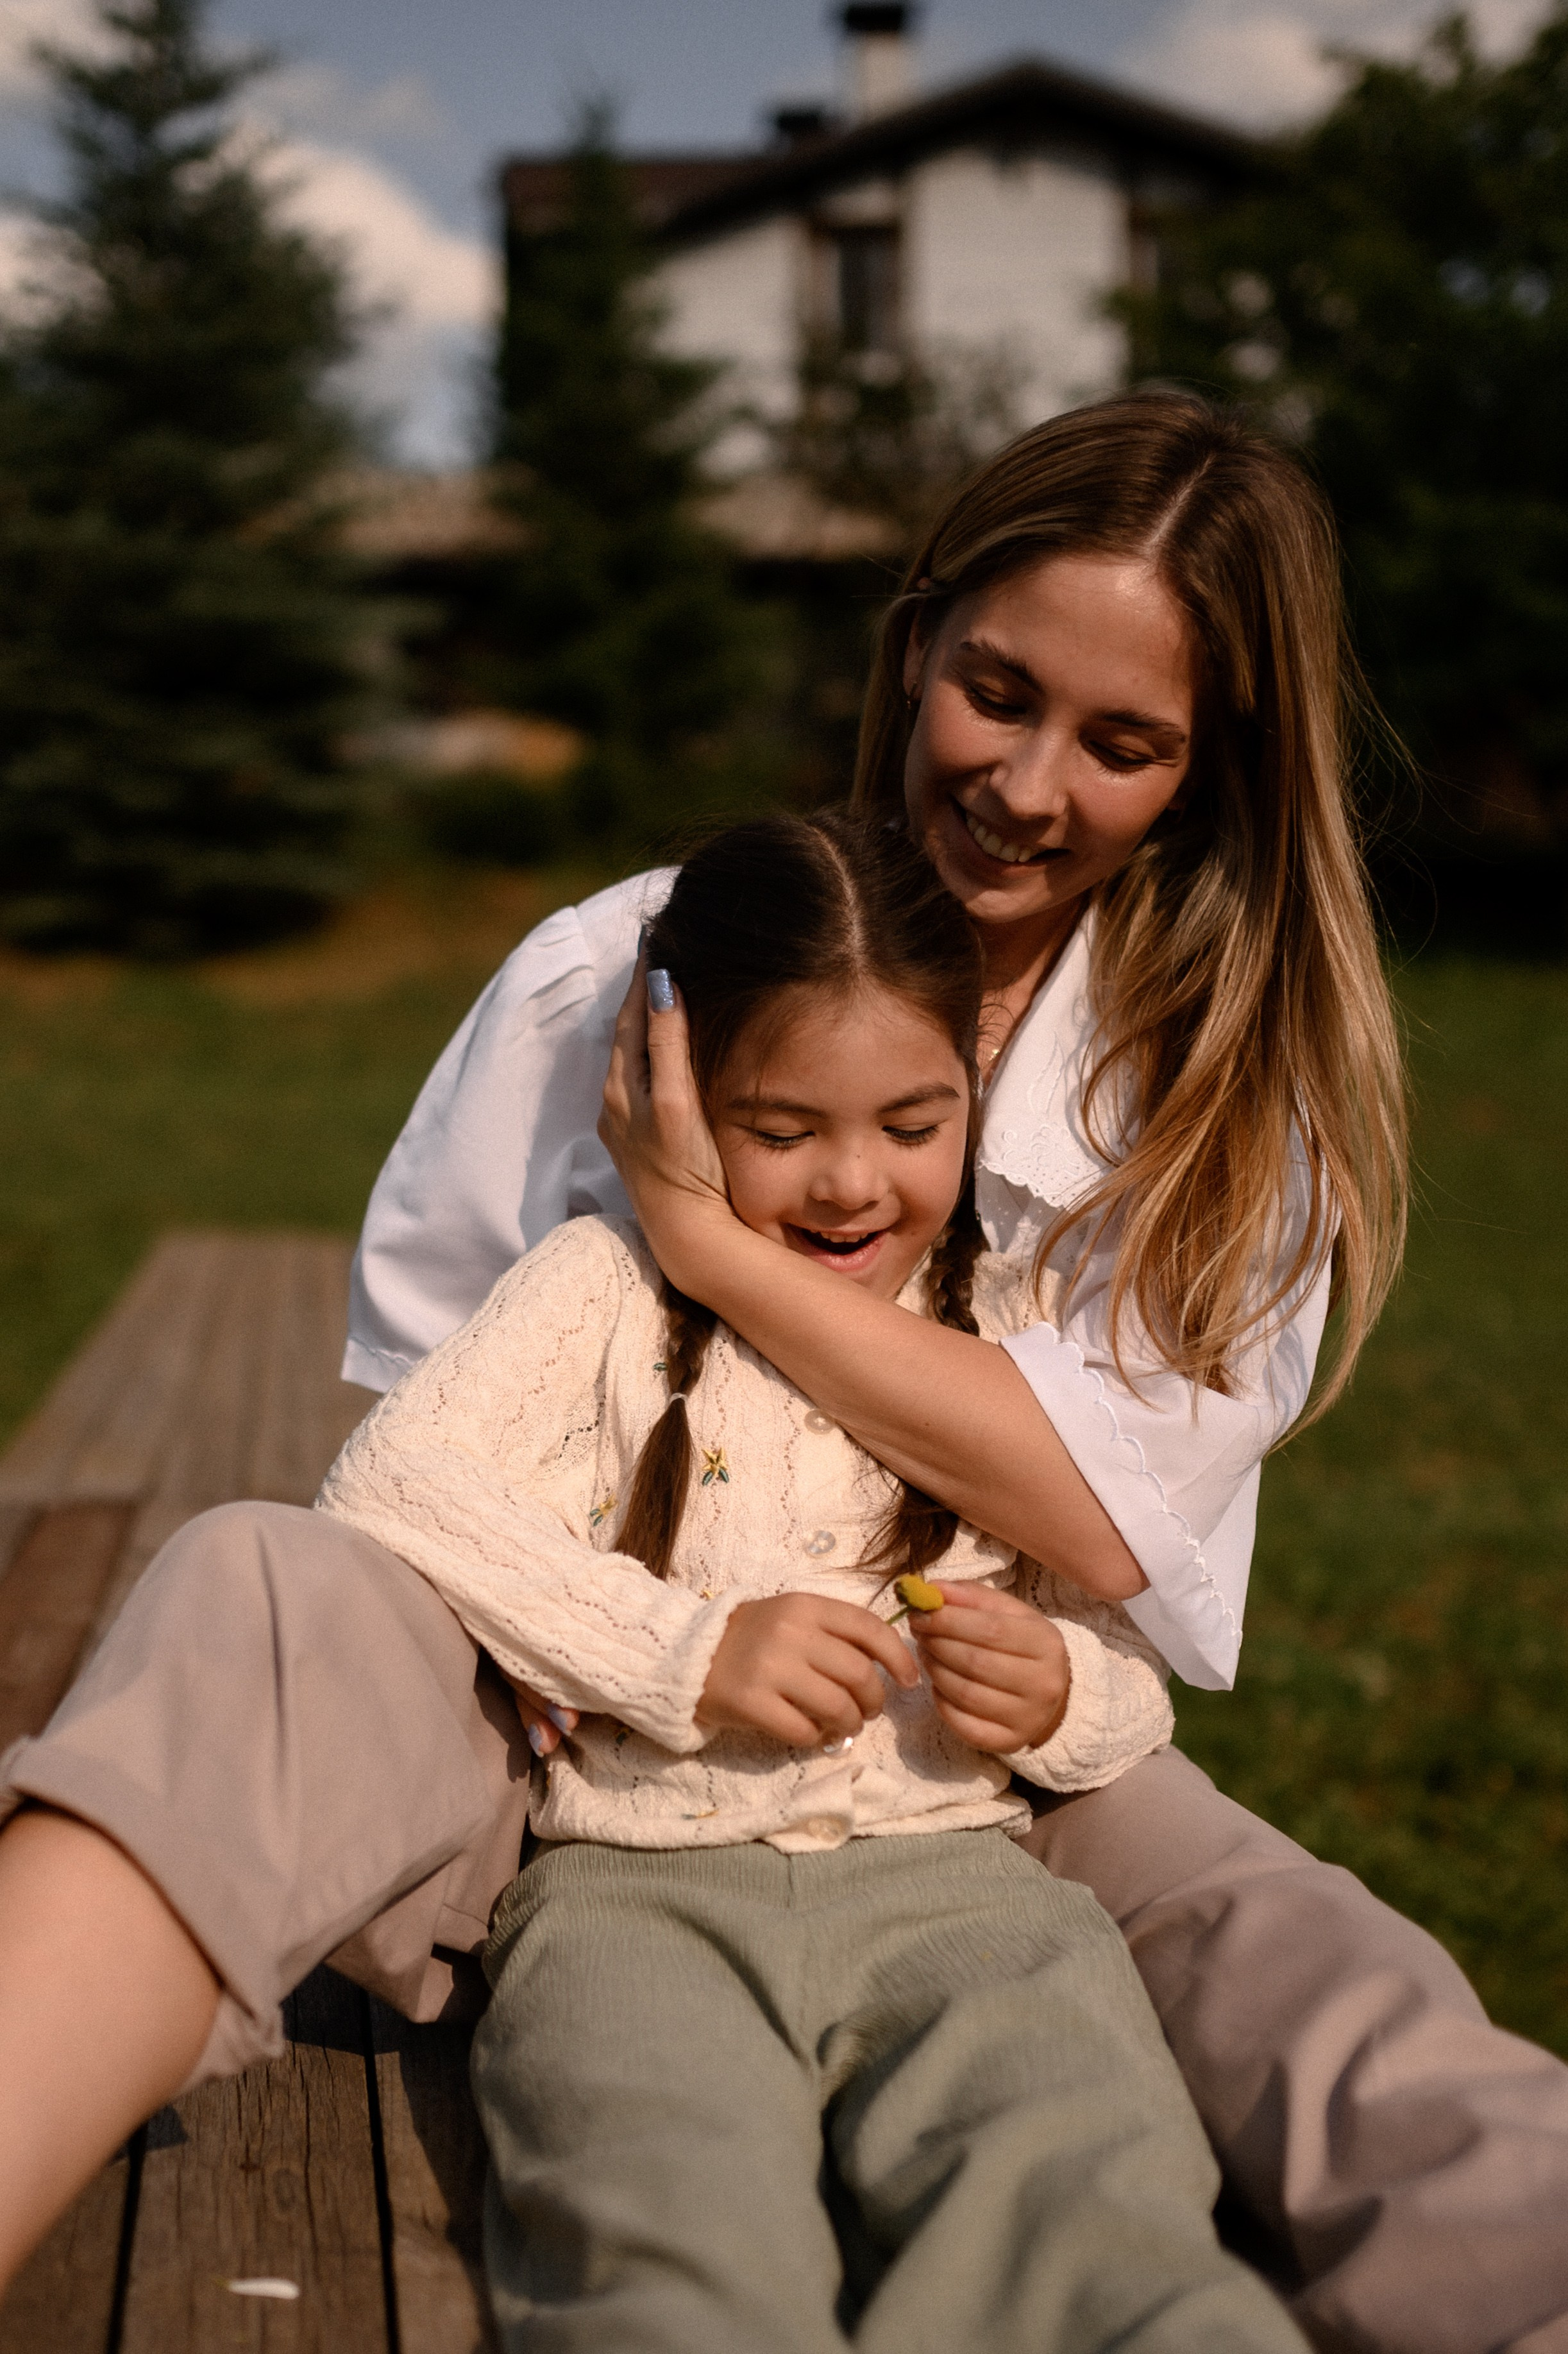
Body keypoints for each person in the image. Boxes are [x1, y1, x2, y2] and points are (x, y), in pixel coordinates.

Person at [1, 392, 1565, 2350]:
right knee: (260, 1587)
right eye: (994, 690)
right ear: (912, 644)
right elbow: (421, 1434)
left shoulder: (1215, 1106)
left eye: (1120, 742)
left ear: (1207, 773)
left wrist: (711, 1242)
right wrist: (635, 1648)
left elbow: (1092, 1514)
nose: (1023, 783)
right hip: (567, 1728)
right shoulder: (622, 974)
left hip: (975, 1753)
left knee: (1321, 1971)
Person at [319, 807, 1308, 2353]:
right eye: (780, 1130)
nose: (851, 1183)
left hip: (967, 1896)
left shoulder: (1003, 1330)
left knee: (1092, 2205)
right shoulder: (596, 1289)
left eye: (912, 1124)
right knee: (667, 2230)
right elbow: (391, 1482)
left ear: (972, 1088)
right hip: (634, 1896)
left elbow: (1123, 1671)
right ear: (669, 1090)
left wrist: (1062, 1690)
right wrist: (684, 1652)